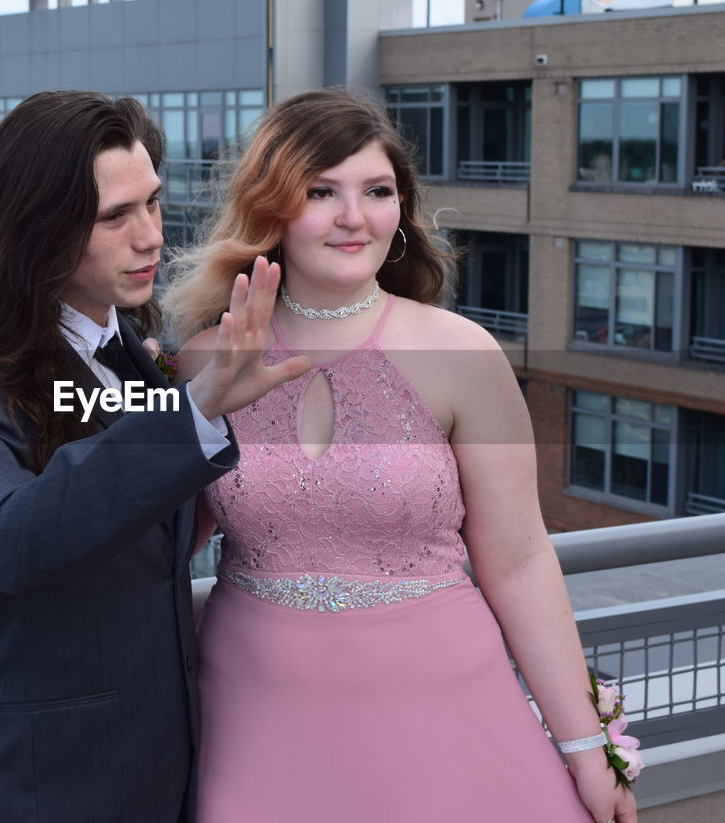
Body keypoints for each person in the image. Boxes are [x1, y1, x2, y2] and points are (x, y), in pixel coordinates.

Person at [165, 89, 639, 823]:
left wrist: (587, 748)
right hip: (254, 720)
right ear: (274, 209)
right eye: (321, 191)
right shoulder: (205, 359)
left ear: (401, 210)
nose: (354, 216)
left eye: (377, 191)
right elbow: (157, 547)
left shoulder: (464, 355)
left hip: (445, 716)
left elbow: (519, 560)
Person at [0, 91, 308, 821]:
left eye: (152, 203)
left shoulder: (138, 357)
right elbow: (7, 538)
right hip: (35, 790)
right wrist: (195, 410)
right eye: (116, 216)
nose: (151, 237)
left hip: (163, 777)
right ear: (37, 228)